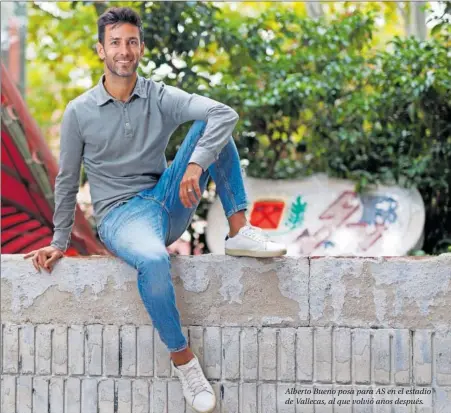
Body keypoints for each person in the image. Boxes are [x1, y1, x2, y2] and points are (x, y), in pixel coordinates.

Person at [24, 7, 286, 413]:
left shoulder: (159, 96)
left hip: (167, 199)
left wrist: (195, 165)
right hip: (121, 217)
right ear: (101, 50)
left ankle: (239, 232)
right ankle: (182, 359)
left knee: (212, 126)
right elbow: (66, 180)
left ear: (141, 48)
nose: (123, 51)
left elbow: (225, 114)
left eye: (131, 42)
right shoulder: (80, 111)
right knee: (153, 260)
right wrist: (59, 241)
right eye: (115, 43)